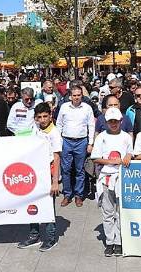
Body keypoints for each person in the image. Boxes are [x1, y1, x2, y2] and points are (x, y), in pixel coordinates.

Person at [17, 102, 62, 252]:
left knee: (48, 207)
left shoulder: (54, 133)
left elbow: (56, 158)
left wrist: (55, 182)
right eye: (39, 117)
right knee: (32, 204)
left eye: (45, 116)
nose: (42, 120)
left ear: (50, 116)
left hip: (48, 174)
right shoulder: (35, 129)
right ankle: (34, 236)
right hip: (34, 172)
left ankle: (50, 238)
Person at [90, 107, 132, 257]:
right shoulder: (101, 137)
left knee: (120, 212)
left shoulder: (126, 136)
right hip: (106, 178)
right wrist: (112, 161)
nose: (113, 124)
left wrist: (127, 156)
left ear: (121, 121)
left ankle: (119, 241)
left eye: (116, 121)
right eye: (110, 121)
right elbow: (95, 158)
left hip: (121, 178)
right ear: (106, 122)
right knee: (108, 212)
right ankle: (110, 241)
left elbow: (130, 153)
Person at [56, 85, 95, 207]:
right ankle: (67, 195)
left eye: (79, 95)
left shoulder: (87, 108)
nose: (76, 97)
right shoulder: (64, 107)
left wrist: (90, 143)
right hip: (66, 141)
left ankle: (79, 195)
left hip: (81, 141)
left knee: (80, 170)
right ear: (70, 96)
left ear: (82, 95)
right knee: (66, 169)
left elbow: (91, 126)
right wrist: (58, 142)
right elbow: (59, 125)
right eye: (74, 95)